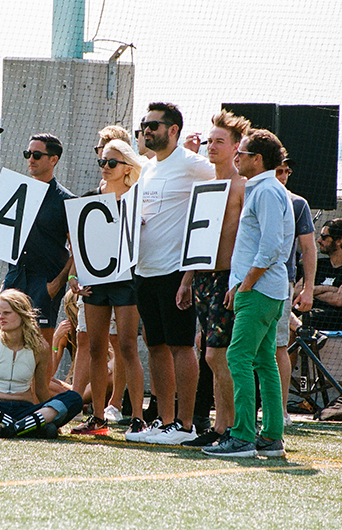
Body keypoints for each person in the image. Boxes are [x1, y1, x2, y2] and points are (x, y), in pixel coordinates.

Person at [203, 129, 294, 458]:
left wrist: (245, 283)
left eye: (241, 153)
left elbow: (270, 248)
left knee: (237, 358)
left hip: (259, 290)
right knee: (263, 361)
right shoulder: (266, 188)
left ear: (257, 159)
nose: (236, 157)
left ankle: (242, 436)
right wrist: (238, 285)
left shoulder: (267, 190)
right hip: (261, 290)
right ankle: (271, 437)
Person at [132, 102, 214, 445]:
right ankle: (164, 421)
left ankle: (184, 425)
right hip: (144, 270)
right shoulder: (147, 168)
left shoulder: (193, 164)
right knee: (155, 346)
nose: (147, 130)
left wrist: (191, 274)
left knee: (182, 346)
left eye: (154, 125)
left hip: (175, 271)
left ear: (173, 130)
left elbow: (227, 184)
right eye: (144, 125)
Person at [178, 110, 250, 448]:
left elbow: (250, 238)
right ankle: (221, 427)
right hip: (203, 279)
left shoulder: (242, 186)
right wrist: (186, 280)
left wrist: (239, 282)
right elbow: (197, 239)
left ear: (237, 147)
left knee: (217, 356)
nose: (212, 146)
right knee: (210, 353)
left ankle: (230, 428)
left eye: (220, 141)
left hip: (228, 280)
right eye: (210, 141)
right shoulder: (205, 186)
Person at [69, 139, 147, 439]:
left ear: (127, 167)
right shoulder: (90, 199)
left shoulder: (135, 199)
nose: (105, 167)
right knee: (96, 348)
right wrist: (72, 278)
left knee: (127, 346)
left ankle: (137, 417)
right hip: (95, 283)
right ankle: (97, 417)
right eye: (102, 161)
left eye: (111, 162)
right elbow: (79, 244)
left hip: (127, 280)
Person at [0, 289, 82, 438]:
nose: (1, 318)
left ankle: (9, 428)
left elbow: (40, 390)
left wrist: (50, 412)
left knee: (74, 398)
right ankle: (29, 427)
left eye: (6, 313)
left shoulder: (40, 347)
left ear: (22, 313)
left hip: (24, 410)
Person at [3, 134, 75, 348]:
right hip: (15, 278)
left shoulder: (66, 200)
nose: (30, 159)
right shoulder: (17, 192)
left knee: (39, 349)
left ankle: (41, 384)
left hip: (44, 282)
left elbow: (78, 250)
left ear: (53, 160)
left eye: (36, 155)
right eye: (28, 154)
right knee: (7, 344)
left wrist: (56, 284)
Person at [273, 157, 317, 427]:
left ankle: (280, 412)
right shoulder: (248, 192)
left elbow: (309, 249)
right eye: (278, 170)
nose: (283, 175)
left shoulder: (297, 203)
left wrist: (308, 289)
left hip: (281, 282)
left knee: (278, 346)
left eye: (286, 171)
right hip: (244, 283)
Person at [293, 218, 342, 332]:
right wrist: (326, 289)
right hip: (305, 309)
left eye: (324, 237)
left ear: (338, 241)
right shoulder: (319, 265)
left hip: (330, 318)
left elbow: (338, 300)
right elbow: (296, 292)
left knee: (302, 322)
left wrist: (309, 291)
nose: (318, 240)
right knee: (284, 315)